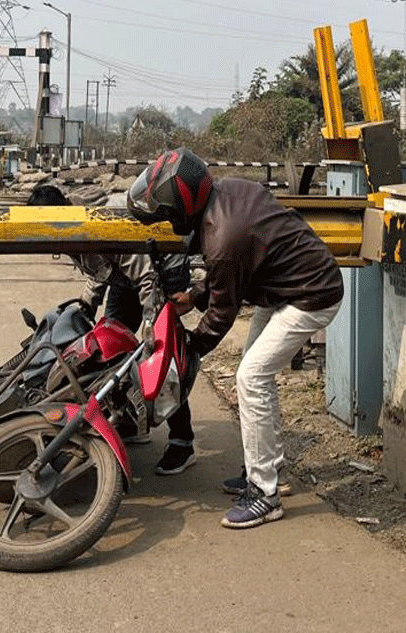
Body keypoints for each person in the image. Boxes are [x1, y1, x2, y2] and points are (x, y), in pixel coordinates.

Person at [126, 148, 343, 529]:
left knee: (251, 377)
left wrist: (191, 349)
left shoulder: (222, 236)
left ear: (181, 208)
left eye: (165, 211)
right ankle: (269, 470)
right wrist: (195, 295)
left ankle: (265, 494)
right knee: (255, 374)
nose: (164, 218)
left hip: (310, 295)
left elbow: (222, 312)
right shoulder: (226, 193)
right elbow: (229, 272)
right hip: (283, 289)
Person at [27, 183, 199, 475]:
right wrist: (86, 305)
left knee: (159, 354)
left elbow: (145, 276)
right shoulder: (67, 227)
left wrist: (150, 323)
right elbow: (99, 266)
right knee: (111, 342)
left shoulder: (104, 223)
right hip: (128, 272)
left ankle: (182, 442)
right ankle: (134, 422)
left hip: (163, 264)